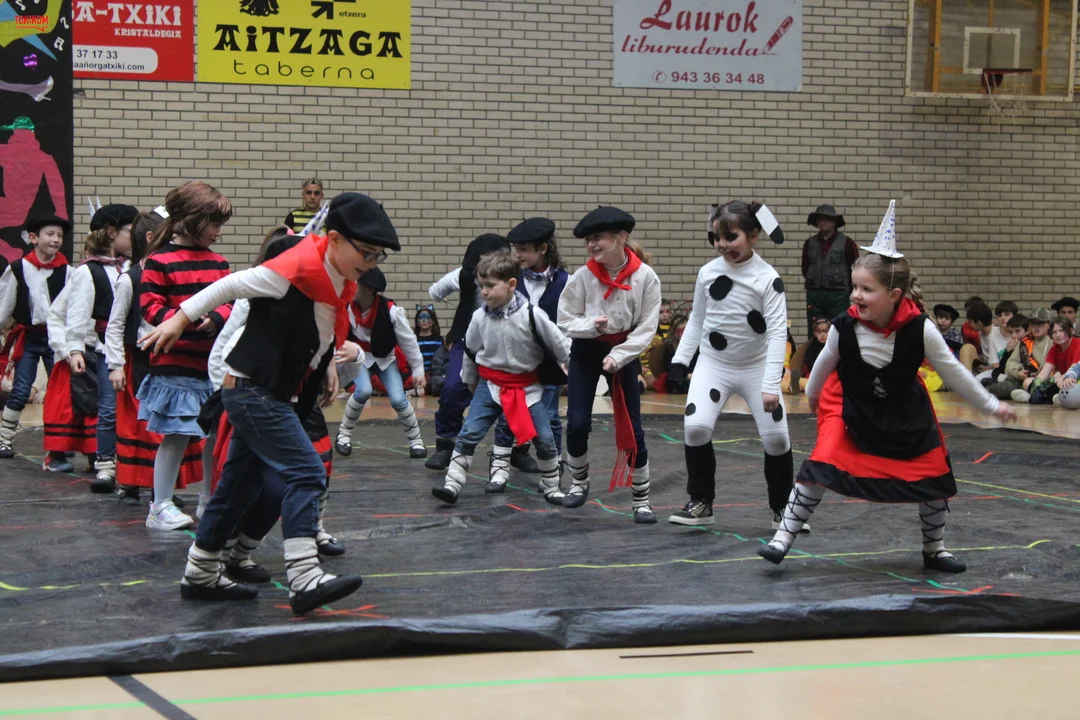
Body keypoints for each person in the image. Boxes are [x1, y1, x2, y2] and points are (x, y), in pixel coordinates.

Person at [142, 191, 397, 615]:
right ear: (335, 239)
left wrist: (326, 368)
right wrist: (179, 319)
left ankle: (201, 573)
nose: (371, 263)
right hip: (252, 390)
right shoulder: (290, 270)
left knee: (237, 488)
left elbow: (321, 328)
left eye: (378, 256)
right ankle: (304, 576)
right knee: (306, 472)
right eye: (366, 253)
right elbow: (229, 285)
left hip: (271, 391)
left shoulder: (339, 279)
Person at [758, 201, 1016, 574]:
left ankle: (935, 549)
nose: (855, 296)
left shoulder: (921, 329)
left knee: (932, 471)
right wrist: (815, 402)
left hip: (904, 408)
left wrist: (992, 405)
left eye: (866, 289)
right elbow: (821, 369)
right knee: (821, 462)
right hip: (849, 405)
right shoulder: (844, 326)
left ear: (894, 296)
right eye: (854, 287)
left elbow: (955, 373)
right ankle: (782, 538)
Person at [668, 201, 795, 529]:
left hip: (757, 367)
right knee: (695, 428)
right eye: (717, 238)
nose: (722, 245)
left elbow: (778, 332)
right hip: (714, 364)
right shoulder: (707, 273)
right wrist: (680, 361)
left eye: (731, 237)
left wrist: (771, 383)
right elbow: (697, 319)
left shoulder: (768, 278)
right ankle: (701, 501)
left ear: (753, 236)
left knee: (777, 440)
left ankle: (783, 508)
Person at [432, 251, 570, 504]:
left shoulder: (532, 315)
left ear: (511, 284)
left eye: (490, 285)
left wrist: (574, 371)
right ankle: (452, 484)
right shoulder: (479, 317)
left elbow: (560, 345)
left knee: (544, 438)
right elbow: (470, 351)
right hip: (490, 385)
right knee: (469, 432)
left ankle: (551, 486)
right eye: (480, 286)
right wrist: (470, 381)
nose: (483, 292)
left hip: (527, 387)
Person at [138, 181, 233, 530]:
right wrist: (188, 321)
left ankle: (209, 499)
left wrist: (217, 318)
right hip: (176, 365)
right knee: (177, 435)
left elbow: (232, 303)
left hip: (212, 367)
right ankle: (160, 505)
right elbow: (150, 307)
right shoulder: (159, 261)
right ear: (193, 220)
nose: (217, 232)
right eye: (213, 224)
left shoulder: (219, 264)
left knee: (213, 436)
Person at [557, 206, 661, 523]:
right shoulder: (583, 277)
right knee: (577, 422)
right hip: (586, 351)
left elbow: (647, 327)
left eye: (598, 238)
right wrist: (591, 326)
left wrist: (619, 356)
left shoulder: (646, 277)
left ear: (621, 237)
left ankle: (641, 499)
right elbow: (565, 319)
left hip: (623, 354)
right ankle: (579, 482)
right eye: (588, 240)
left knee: (632, 426)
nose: (592, 245)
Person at [105, 208, 204, 505]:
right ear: (151, 238)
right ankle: (132, 483)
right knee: (138, 428)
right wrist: (115, 365)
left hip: (168, 359)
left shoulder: (172, 271)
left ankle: (162, 491)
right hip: (137, 362)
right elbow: (115, 325)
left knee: (167, 426)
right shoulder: (130, 279)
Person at [425, 234, 540, 475]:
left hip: (506, 342)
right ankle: (446, 444)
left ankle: (518, 449)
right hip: (468, 340)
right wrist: (456, 309)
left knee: (515, 395)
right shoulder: (463, 276)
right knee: (453, 388)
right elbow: (435, 292)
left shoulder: (519, 278)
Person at [64, 204, 138, 492]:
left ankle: (135, 469)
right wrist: (75, 349)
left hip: (135, 348)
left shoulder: (131, 267)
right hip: (107, 348)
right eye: (131, 231)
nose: (135, 237)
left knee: (136, 411)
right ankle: (105, 466)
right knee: (109, 408)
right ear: (111, 232)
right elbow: (77, 312)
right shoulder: (88, 271)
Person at [497, 217, 569, 480]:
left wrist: (565, 357)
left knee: (549, 416)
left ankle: (554, 466)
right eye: (516, 249)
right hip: (515, 361)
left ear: (543, 249)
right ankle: (501, 466)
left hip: (549, 362)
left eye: (524, 250)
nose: (518, 255)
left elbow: (569, 322)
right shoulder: (510, 279)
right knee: (509, 413)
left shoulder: (566, 281)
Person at [0, 214, 72, 466]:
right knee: (21, 390)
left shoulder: (69, 271)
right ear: (33, 238)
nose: (56, 240)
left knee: (62, 391)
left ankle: (61, 442)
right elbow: (4, 306)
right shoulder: (18, 269)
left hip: (56, 339)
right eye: (50, 234)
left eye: (59, 236)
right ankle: (4, 439)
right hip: (29, 336)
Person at [334, 267, 426, 458]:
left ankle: (416, 441)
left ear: (368, 290)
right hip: (360, 357)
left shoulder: (391, 311)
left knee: (398, 399)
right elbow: (337, 336)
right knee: (363, 391)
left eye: (356, 283)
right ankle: (343, 435)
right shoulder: (346, 307)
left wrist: (418, 369)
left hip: (385, 358)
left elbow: (408, 341)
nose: (351, 285)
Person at [801, 204, 859, 337]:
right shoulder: (809, 243)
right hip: (814, 295)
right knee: (815, 331)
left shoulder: (847, 243)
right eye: (819, 219)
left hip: (838, 295)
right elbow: (805, 268)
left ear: (834, 222)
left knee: (839, 330)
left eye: (826, 219)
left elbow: (855, 269)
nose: (822, 222)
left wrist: (850, 290)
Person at [986, 308, 1052, 399]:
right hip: (1022, 378)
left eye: (1040, 324)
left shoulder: (1054, 341)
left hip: (1045, 379)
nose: (1036, 327)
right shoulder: (1025, 341)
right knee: (1002, 387)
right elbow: (1011, 363)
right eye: (1033, 324)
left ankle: (1027, 393)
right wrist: (1018, 372)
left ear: (1048, 325)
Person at [1011, 318, 1080, 405]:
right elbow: (1044, 373)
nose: (1058, 335)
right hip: (1062, 381)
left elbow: (1074, 371)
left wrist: (1056, 380)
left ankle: (1034, 398)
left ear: (1071, 330)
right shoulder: (1054, 349)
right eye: (1054, 332)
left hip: (1073, 380)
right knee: (1028, 382)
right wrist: (1036, 384)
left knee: (1059, 382)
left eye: (1062, 330)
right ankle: (1041, 396)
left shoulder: (1078, 344)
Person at [785, 317, 830, 394]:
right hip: (814, 374)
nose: (823, 335)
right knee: (806, 382)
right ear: (815, 333)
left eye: (826, 331)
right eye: (819, 332)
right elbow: (809, 363)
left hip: (831, 374)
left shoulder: (832, 345)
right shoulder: (811, 347)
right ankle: (793, 386)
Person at [958, 301, 993, 373]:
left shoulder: (995, 334)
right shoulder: (981, 333)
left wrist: (988, 368)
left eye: (971, 322)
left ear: (979, 323)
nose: (969, 325)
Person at [414, 305, 443, 385]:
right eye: (421, 318)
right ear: (417, 321)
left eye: (427, 317)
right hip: (418, 376)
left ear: (433, 321)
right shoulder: (413, 340)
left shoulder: (439, 340)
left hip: (435, 376)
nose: (424, 320)